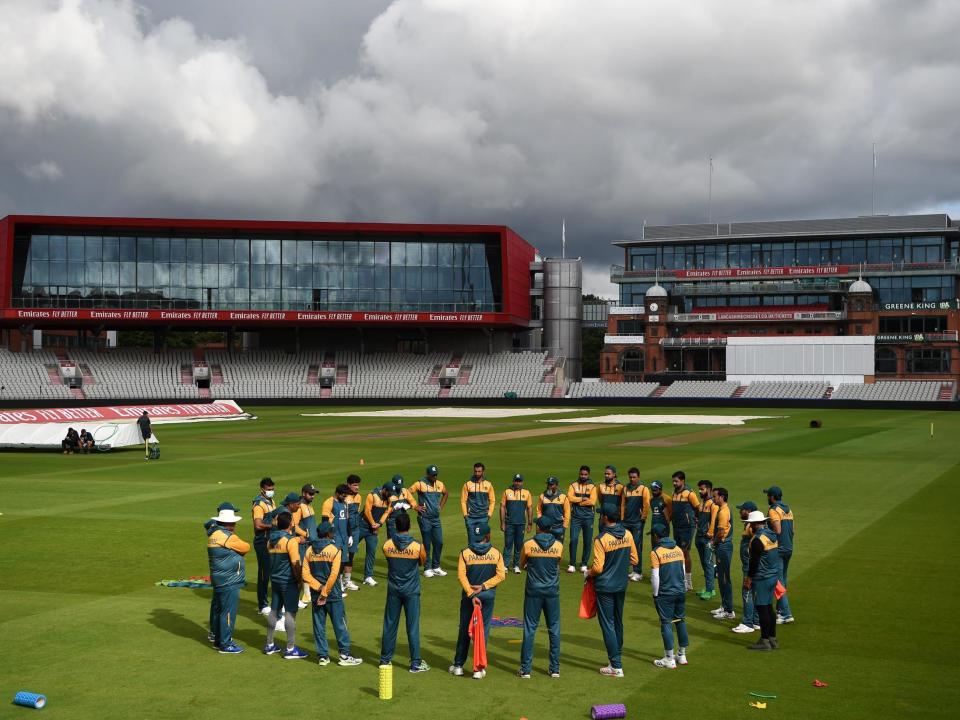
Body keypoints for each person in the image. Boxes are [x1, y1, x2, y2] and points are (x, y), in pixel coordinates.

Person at [450, 522, 506, 680]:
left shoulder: (465, 553)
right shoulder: (496, 553)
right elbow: (501, 575)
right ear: (487, 536)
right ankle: (478, 668)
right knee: (482, 631)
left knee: (464, 630)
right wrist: (483, 586)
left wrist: (471, 593)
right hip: (487, 596)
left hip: (469, 597)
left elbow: (461, 576)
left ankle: (459, 666)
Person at [302, 520, 362, 666]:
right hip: (332, 594)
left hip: (316, 594)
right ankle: (344, 655)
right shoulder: (335, 550)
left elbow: (305, 574)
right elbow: (334, 574)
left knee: (319, 625)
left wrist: (319, 588)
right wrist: (325, 591)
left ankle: (323, 656)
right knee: (340, 624)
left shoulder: (309, 550)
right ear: (328, 533)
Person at [587, 508, 638, 677]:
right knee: (617, 622)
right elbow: (634, 559)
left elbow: (598, 567)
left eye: (601, 515)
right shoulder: (628, 534)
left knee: (607, 624)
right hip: (621, 584)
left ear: (606, 518)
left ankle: (616, 665)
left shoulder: (601, 539)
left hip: (605, 587)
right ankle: (616, 659)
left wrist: (589, 572)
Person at [379, 512, 430, 673]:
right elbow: (422, 561)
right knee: (412, 626)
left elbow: (389, 560)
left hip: (394, 589)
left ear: (396, 526)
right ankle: (415, 663)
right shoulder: (417, 546)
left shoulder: (387, 545)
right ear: (409, 526)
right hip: (411, 590)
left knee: (390, 625)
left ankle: (385, 660)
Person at [518, 515, 563, 679]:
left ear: (539, 528)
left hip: (533, 591)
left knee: (530, 628)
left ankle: (525, 669)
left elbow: (522, 564)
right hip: (552, 591)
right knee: (554, 629)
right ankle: (555, 669)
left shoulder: (528, 544)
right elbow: (557, 564)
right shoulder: (558, 546)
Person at [206, 504, 250, 654]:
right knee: (228, 612)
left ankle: (219, 641)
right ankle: (226, 644)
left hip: (219, 579)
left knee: (220, 611)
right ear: (229, 523)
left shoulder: (214, 534)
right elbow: (246, 547)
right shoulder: (226, 536)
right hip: (228, 580)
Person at [264, 511, 308, 659]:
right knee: (290, 613)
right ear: (290, 524)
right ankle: (290, 648)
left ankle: (269, 644)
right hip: (288, 581)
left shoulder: (270, 541)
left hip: (275, 579)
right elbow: (296, 564)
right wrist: (299, 580)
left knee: (274, 610)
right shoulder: (290, 542)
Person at [649, 523, 689, 668]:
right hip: (680, 591)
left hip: (665, 593)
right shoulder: (678, 549)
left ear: (655, 536)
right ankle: (682, 655)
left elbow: (655, 576)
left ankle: (669, 658)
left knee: (666, 623)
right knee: (680, 620)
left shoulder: (656, 552)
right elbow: (683, 571)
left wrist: (655, 594)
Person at [744, 510, 780, 650]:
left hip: (762, 578)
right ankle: (772, 638)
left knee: (762, 609)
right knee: (769, 607)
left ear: (754, 524)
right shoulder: (772, 535)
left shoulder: (757, 540)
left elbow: (754, 562)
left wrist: (748, 578)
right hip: (773, 576)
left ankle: (764, 641)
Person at [409, 464, 448, 577]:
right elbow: (407, 493)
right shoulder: (420, 484)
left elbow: (446, 494)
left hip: (436, 519)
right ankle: (427, 568)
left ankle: (436, 566)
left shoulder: (440, 484)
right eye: (432, 475)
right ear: (427, 475)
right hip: (424, 518)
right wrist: (415, 506)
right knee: (427, 543)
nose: (434, 477)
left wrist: (440, 506)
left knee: (439, 542)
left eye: (436, 475)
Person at [729, 501, 761, 634]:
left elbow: (756, 542)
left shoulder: (752, 527)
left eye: (741, 509)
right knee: (754, 593)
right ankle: (756, 620)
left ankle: (748, 623)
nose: (739, 512)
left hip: (750, 566)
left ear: (748, 511)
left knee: (747, 592)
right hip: (752, 564)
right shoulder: (751, 526)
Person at [764, 486, 795, 624]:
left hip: (779, 549)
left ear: (772, 497)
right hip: (788, 548)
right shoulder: (788, 509)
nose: (767, 498)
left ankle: (786, 614)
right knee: (783, 579)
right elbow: (792, 531)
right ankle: (780, 610)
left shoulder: (773, 510)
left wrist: (766, 533)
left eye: (768, 495)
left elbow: (777, 529)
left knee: (778, 581)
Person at [359, 483, 394, 586]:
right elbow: (367, 511)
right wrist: (373, 523)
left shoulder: (389, 499)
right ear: (384, 490)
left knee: (371, 552)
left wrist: (379, 524)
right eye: (389, 492)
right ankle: (344, 576)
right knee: (351, 550)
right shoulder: (372, 495)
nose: (390, 495)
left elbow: (387, 512)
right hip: (362, 525)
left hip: (373, 529)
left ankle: (368, 577)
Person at [321, 484, 355, 594]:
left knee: (343, 562)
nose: (345, 497)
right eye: (343, 495)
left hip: (344, 538)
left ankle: (338, 584)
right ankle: (334, 587)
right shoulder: (329, 503)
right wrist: (327, 538)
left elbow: (347, 520)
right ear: (337, 493)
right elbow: (325, 522)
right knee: (334, 563)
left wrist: (350, 535)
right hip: (334, 538)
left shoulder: (344, 503)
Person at [670, 471, 700, 591]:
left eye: (676, 481)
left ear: (683, 481)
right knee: (679, 552)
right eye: (673, 481)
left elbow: (697, 508)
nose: (674, 483)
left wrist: (694, 519)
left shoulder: (689, 494)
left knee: (684, 552)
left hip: (687, 527)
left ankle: (688, 581)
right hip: (676, 526)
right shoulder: (674, 493)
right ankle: (680, 579)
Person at [252, 477, 277, 615]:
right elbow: (258, 524)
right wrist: (273, 525)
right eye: (269, 489)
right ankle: (262, 605)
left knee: (271, 570)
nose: (271, 491)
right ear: (262, 489)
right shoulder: (258, 504)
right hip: (262, 540)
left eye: (272, 489)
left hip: (270, 539)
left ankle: (270, 602)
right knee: (264, 572)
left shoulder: (270, 501)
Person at [621, 467, 650, 582]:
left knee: (637, 546)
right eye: (630, 477)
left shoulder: (643, 489)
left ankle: (638, 571)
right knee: (626, 546)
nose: (632, 479)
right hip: (626, 522)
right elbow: (623, 504)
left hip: (637, 522)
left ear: (638, 477)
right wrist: (622, 518)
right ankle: (632, 570)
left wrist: (643, 518)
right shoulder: (625, 488)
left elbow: (646, 504)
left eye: (634, 477)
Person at [567, 465, 597, 573]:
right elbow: (569, 498)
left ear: (588, 475)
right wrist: (582, 498)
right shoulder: (573, 485)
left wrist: (577, 501)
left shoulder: (592, 487)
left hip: (588, 517)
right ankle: (572, 564)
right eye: (581, 474)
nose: (583, 476)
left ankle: (584, 564)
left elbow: (592, 501)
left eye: (585, 474)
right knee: (573, 540)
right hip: (575, 517)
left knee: (587, 541)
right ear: (579, 474)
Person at [500, 473, 533, 574]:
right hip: (509, 523)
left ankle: (516, 566)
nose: (518, 483)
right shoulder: (507, 492)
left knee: (518, 545)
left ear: (522, 482)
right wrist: (502, 523)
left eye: (519, 481)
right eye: (516, 481)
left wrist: (530, 523)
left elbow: (529, 508)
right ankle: (505, 565)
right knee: (508, 544)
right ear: (513, 481)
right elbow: (502, 507)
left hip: (521, 523)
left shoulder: (526, 493)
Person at [711, 487, 735, 621]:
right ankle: (725, 605)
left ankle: (729, 610)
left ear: (722, 497)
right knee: (721, 577)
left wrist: (713, 543)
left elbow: (720, 533)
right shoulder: (724, 509)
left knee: (724, 578)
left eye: (715, 496)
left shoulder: (723, 512)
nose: (713, 498)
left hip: (723, 547)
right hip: (724, 546)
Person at [296, 483, 320, 607]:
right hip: (302, 544)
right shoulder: (299, 506)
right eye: (310, 493)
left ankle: (307, 594)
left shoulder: (309, 506)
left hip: (310, 543)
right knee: (301, 569)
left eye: (314, 494)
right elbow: (293, 525)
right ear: (303, 493)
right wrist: (305, 533)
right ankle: (303, 595)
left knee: (307, 569)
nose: (312, 496)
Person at [694, 479, 718, 600]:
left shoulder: (713, 504)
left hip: (707, 538)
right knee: (705, 564)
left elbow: (713, 520)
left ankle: (710, 590)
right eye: (699, 489)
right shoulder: (702, 503)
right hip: (699, 536)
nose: (700, 491)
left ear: (709, 489)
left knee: (708, 564)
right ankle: (709, 586)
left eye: (702, 489)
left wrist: (710, 533)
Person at [461, 462, 496, 538]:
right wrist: (465, 515)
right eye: (475, 471)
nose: (477, 473)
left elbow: (492, 501)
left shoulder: (488, 485)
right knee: (471, 541)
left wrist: (489, 515)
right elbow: (463, 501)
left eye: (479, 471)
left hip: (483, 517)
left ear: (483, 472)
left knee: (482, 540)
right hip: (471, 518)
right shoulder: (467, 484)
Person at [343, 475, 364, 590]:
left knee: (351, 556)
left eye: (358, 485)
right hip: (345, 531)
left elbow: (356, 514)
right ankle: (339, 582)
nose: (357, 487)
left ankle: (347, 581)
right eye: (355, 485)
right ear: (348, 485)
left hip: (355, 530)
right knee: (342, 557)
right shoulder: (344, 497)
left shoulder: (359, 497)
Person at [537, 476, 570, 545]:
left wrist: (564, 526)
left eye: (551, 484)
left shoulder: (563, 497)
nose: (549, 486)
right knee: (545, 548)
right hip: (545, 528)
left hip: (559, 527)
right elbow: (539, 510)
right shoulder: (542, 496)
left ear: (556, 485)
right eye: (548, 484)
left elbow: (567, 512)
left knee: (558, 548)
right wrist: (540, 523)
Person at [386, 474, 415, 539]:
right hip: (392, 520)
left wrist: (410, 506)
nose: (399, 488)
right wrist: (394, 508)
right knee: (392, 542)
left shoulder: (405, 490)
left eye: (400, 486)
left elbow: (412, 501)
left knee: (404, 540)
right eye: (397, 486)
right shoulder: (388, 492)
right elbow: (384, 509)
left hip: (403, 520)